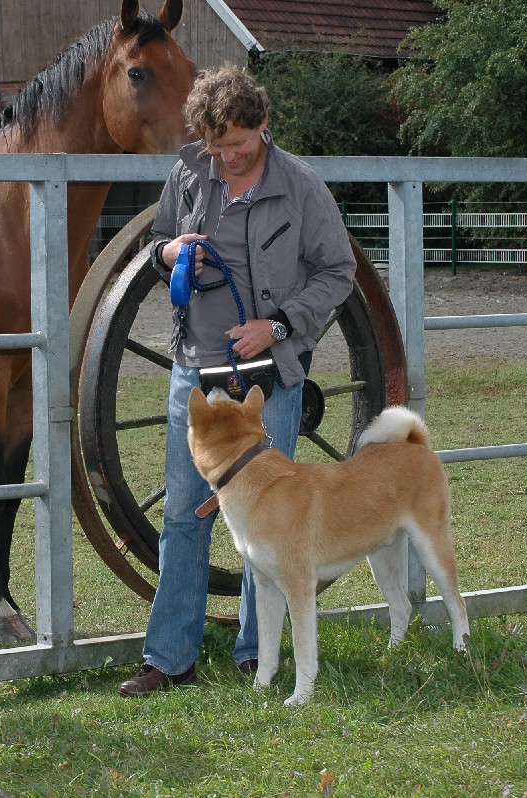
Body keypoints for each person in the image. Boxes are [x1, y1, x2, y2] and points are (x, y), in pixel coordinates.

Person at [118, 64, 357, 696]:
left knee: (269, 516)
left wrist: (276, 326)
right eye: (217, 145)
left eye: (239, 144)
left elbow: (338, 272)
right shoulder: (188, 174)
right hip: (196, 369)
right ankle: (170, 658)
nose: (227, 157)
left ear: (263, 126)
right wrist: (171, 253)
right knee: (182, 514)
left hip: (267, 375)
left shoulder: (301, 187)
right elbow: (157, 243)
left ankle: (258, 655)